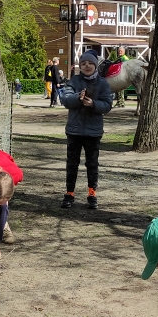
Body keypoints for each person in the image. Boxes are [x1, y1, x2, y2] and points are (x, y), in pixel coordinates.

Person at [59, 51, 113, 210]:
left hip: (93, 132)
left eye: (90, 63)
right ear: (80, 66)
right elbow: (65, 100)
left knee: (92, 164)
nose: (87, 66)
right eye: (83, 64)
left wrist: (93, 104)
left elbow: (107, 105)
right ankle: (69, 194)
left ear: (95, 65)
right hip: (74, 131)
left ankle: (92, 193)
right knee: (72, 164)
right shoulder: (74, 81)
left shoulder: (102, 83)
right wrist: (78, 98)